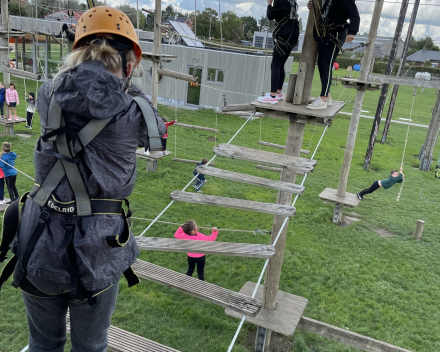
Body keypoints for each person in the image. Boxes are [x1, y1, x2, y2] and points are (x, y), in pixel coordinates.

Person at [0, 7, 166, 352]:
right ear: (130, 65)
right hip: (98, 249)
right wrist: (130, 88)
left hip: (38, 241)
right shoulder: (137, 110)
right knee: (91, 348)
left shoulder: (47, 94)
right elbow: (158, 138)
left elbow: (76, 88)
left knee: (42, 345)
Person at [306, 0, 359, 110]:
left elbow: (354, 15)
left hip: (336, 33)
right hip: (326, 33)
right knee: (321, 63)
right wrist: (313, 6)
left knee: (327, 63)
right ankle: (327, 95)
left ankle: (323, 98)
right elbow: (327, 13)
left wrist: (352, 32)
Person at [258, 0, 300, 104]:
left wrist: (269, 4)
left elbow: (270, 15)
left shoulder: (279, 1)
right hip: (292, 37)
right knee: (281, 65)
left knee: (275, 65)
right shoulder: (292, 2)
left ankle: (273, 96)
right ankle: (278, 92)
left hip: (284, 36)